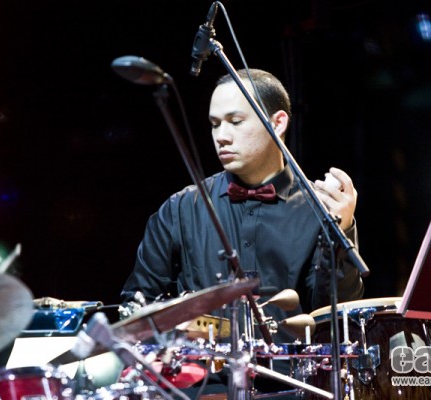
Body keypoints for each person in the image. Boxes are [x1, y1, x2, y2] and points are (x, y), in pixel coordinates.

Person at [120, 68, 364, 398]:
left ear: (278, 122)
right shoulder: (180, 209)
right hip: (200, 389)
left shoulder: (319, 209)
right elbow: (136, 306)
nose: (221, 136)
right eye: (214, 124)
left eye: (235, 121)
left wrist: (341, 230)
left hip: (292, 388)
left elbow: (336, 319)